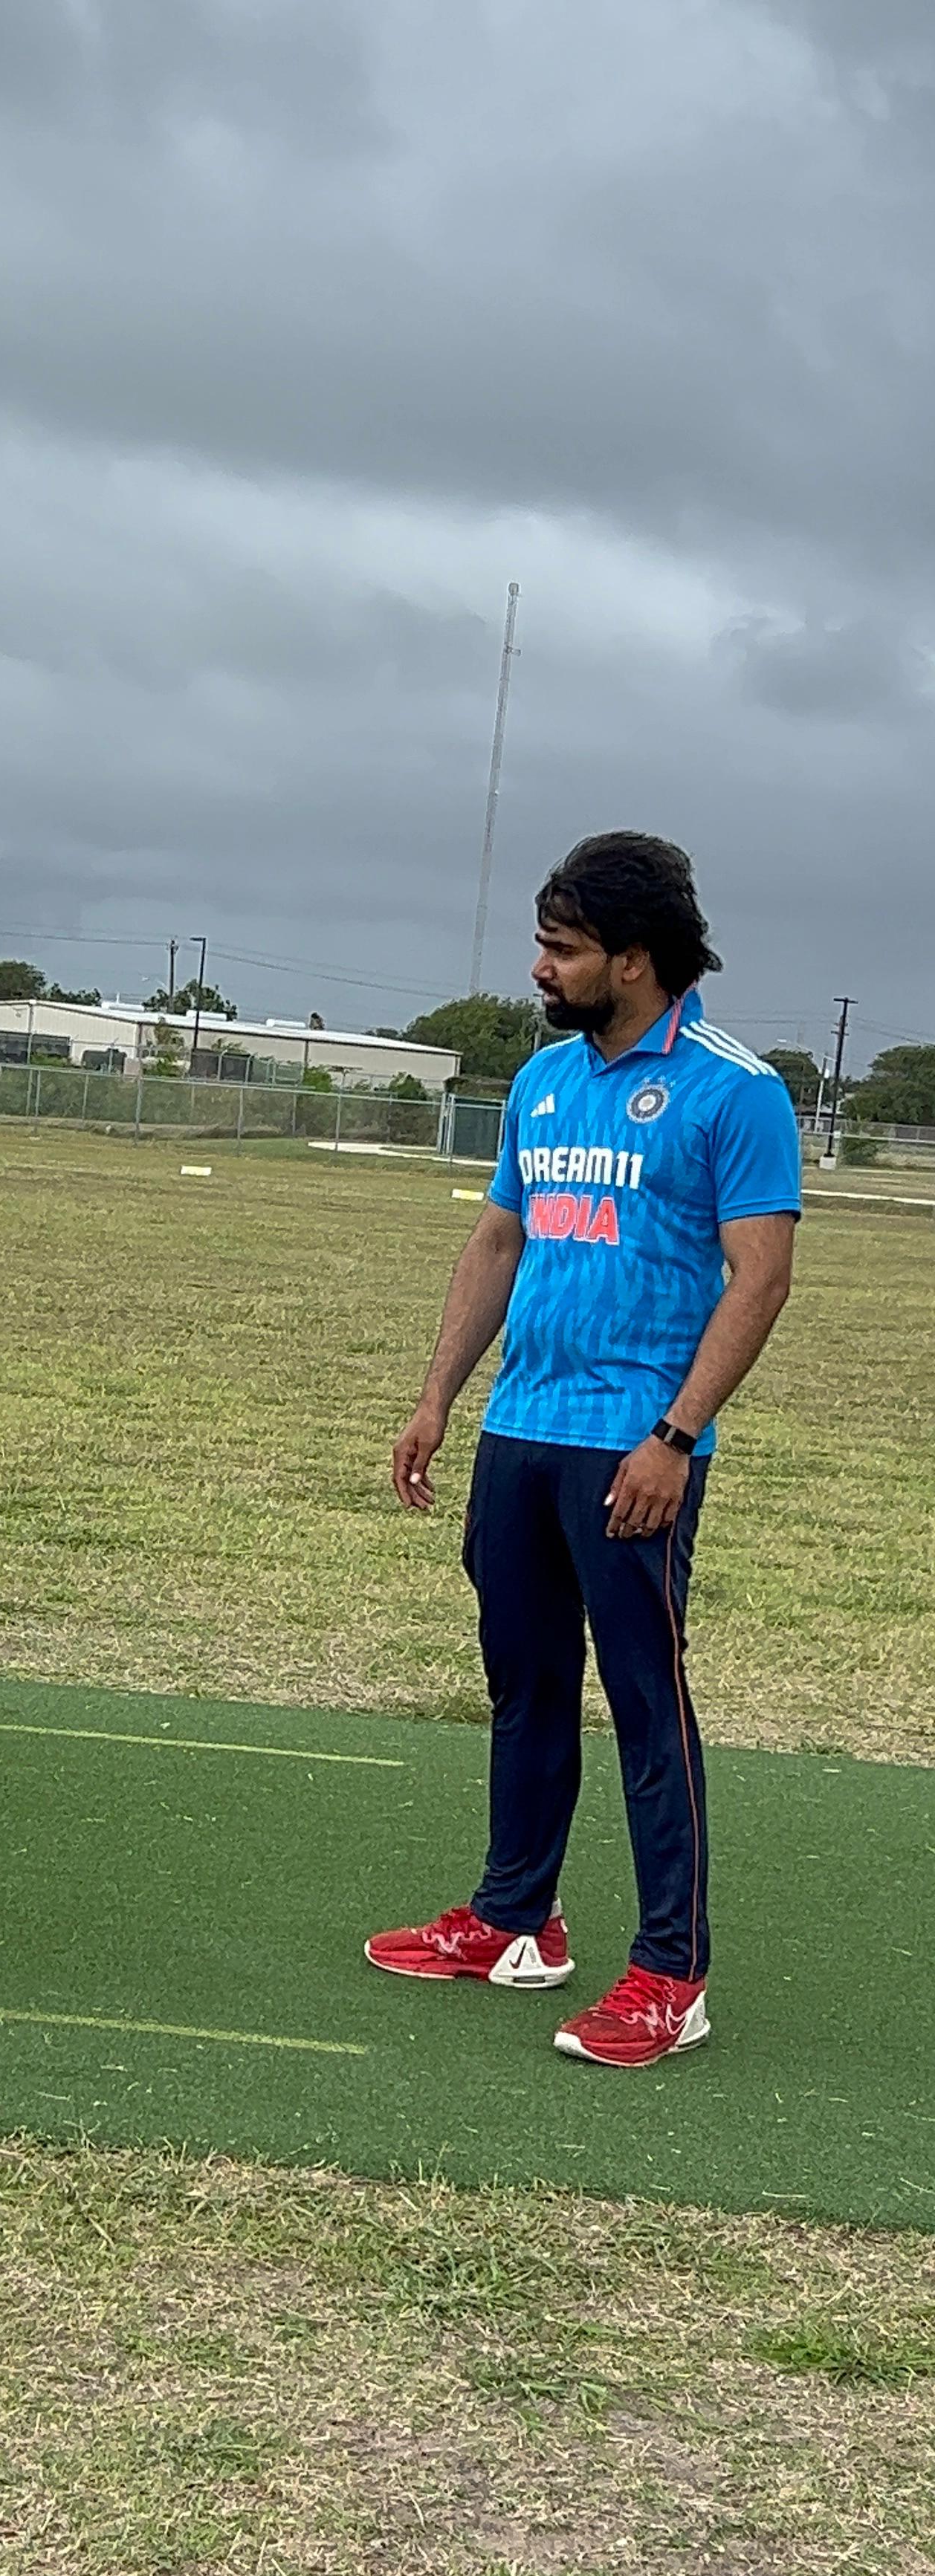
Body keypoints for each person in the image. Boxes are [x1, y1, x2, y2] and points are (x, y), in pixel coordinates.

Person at [368, 832, 800, 2066]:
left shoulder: (736, 1090)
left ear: (637, 957)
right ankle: (517, 1923)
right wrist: (438, 1397)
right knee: (525, 1683)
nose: (542, 969)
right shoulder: (543, 1083)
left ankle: (673, 1971)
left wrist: (675, 1436)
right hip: (522, 1437)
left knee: (648, 1705)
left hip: (635, 1450)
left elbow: (761, 1280)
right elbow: (501, 1243)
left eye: (563, 949)